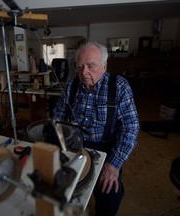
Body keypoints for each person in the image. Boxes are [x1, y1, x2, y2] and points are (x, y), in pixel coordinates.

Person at [52, 42, 139, 215]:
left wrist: (113, 165)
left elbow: (131, 129)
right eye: (80, 66)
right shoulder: (71, 86)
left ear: (104, 66)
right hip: (75, 145)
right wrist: (60, 143)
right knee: (61, 191)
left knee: (110, 196)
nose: (84, 73)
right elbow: (58, 117)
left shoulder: (119, 86)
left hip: (106, 148)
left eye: (91, 66)